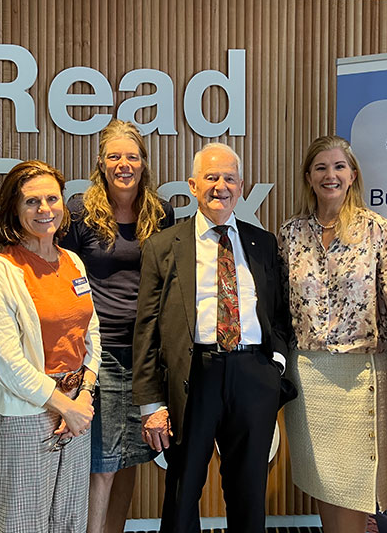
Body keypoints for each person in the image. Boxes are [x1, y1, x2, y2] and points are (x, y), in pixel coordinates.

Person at [132, 142, 294, 533]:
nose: (220, 186)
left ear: (241, 187)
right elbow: (147, 329)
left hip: (254, 375)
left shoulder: (264, 243)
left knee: (249, 490)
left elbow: (280, 315)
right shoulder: (163, 246)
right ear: (192, 184)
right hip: (194, 378)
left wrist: (275, 369)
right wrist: (151, 403)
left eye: (229, 178)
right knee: (183, 488)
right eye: (211, 177)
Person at [278, 136, 387, 533]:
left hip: (362, 373)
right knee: (324, 485)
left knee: (356, 489)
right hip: (309, 377)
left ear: (352, 175)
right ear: (309, 178)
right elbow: (280, 307)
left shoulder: (375, 229)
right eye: (321, 168)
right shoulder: (290, 233)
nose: (330, 175)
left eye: (338, 167)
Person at [60, 119, 174, 533]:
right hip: (98, 352)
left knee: (131, 457)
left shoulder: (160, 213)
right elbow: (64, 279)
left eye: (132, 156)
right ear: (101, 163)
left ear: (144, 162)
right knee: (102, 465)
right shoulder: (77, 213)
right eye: (115, 157)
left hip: (146, 351)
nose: (123, 164)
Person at [0, 160, 101, 533]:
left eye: (52, 199)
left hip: (76, 410)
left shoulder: (73, 261)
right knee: (20, 524)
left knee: (68, 521)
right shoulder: (0, 272)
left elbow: (90, 332)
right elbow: (8, 363)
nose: (44, 209)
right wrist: (65, 405)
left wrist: (83, 397)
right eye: (32, 202)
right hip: (26, 415)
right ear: (13, 210)